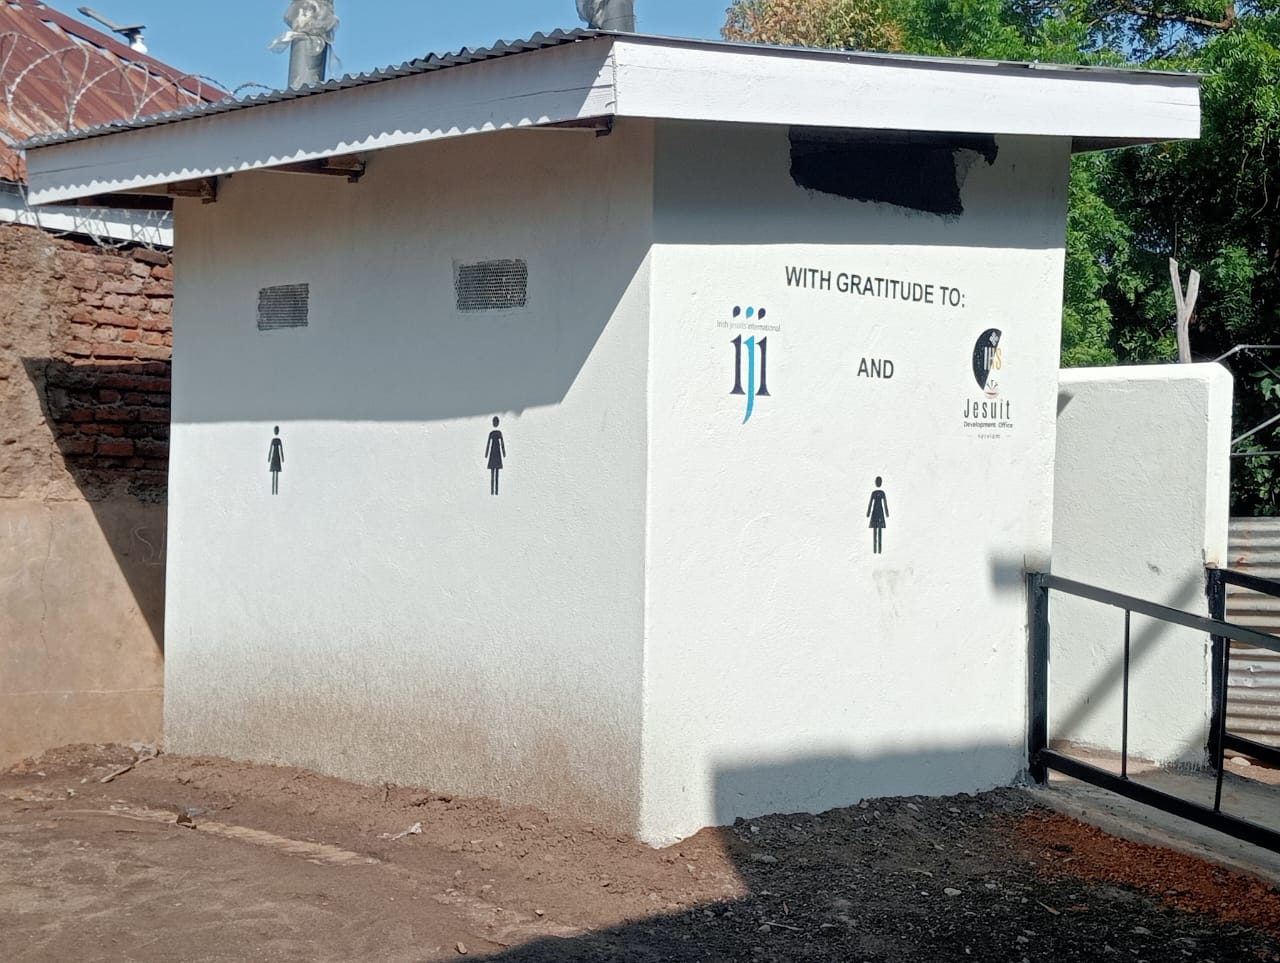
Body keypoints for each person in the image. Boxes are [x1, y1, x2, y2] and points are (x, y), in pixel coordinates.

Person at [867, 476, 888, 554]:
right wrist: (886, 513)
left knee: (877, 532)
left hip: (877, 512)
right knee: (876, 531)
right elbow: (870, 503)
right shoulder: (878, 493)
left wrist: (868, 513)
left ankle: (878, 550)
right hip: (878, 512)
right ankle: (876, 550)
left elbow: (884, 504)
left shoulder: (878, 493)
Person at [485, 417, 506, 496]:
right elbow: (489, 444)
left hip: (495, 453)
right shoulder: (495, 433)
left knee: (495, 473)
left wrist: (503, 453)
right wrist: (486, 454)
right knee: (494, 473)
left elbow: (502, 443)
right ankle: (493, 491)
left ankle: (495, 491)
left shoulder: (496, 433)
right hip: (495, 453)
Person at [268, 426, 284, 495]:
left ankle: (275, 491)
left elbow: (281, 450)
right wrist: (269, 458)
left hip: (276, 457)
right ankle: (273, 491)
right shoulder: (274, 440)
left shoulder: (278, 440)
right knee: (274, 475)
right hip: (274, 457)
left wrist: (282, 458)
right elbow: (270, 450)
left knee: (276, 474)